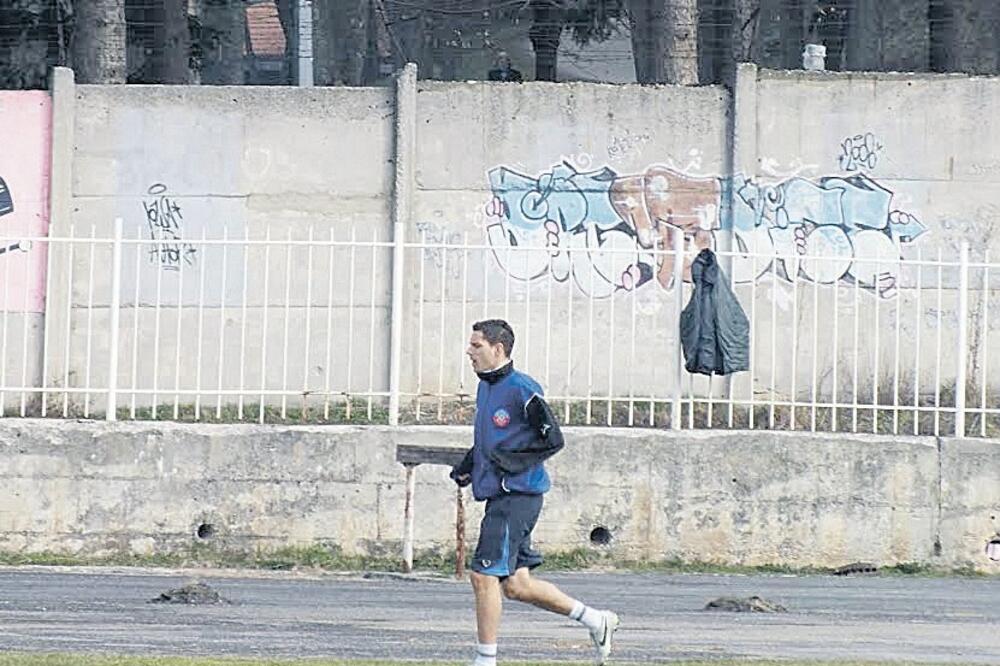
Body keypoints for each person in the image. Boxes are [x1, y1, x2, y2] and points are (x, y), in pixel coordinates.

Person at [451, 319, 619, 666]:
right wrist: (469, 464)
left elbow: (552, 439)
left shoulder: (521, 388)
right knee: (517, 586)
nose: (469, 351)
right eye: (470, 345)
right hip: (501, 494)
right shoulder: (485, 388)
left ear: (498, 349)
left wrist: (511, 463)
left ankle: (485, 662)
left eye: (476, 345)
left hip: (518, 496)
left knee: (483, 576)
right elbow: (491, 439)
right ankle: (595, 620)